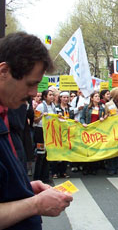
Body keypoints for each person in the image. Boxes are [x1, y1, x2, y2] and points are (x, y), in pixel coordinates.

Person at [0, 32, 72, 229]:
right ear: (4, 71)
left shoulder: (7, 113)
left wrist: (23, 188)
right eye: (31, 84)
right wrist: (35, 204)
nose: (33, 93)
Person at [33, 89, 56, 184]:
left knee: (47, 154)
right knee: (40, 154)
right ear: (45, 96)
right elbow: (35, 120)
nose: (52, 96)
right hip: (40, 132)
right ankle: (37, 177)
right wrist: (42, 115)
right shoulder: (41, 106)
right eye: (50, 95)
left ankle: (45, 177)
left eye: (53, 95)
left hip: (49, 132)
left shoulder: (53, 106)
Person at [80, 91, 106, 175]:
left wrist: (103, 118)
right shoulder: (87, 108)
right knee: (87, 150)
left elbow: (107, 116)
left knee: (95, 149)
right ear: (91, 98)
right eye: (96, 96)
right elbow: (82, 117)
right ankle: (86, 167)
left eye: (98, 96)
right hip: (88, 131)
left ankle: (94, 168)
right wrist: (83, 123)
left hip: (97, 132)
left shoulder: (102, 108)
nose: (98, 98)